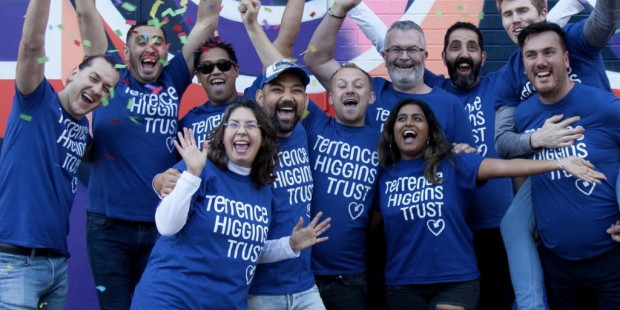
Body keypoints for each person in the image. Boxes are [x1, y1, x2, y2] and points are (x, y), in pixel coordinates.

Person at [376, 98, 604, 310]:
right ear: (392, 131)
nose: (409, 123)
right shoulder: (384, 174)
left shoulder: (455, 163)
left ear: (429, 131)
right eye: (401, 118)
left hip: (455, 280)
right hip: (402, 282)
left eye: (417, 118)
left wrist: (560, 163)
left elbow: (507, 167)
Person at [75, 0, 221, 308]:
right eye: (140, 42)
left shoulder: (173, 78)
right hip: (107, 227)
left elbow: (207, 20)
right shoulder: (109, 80)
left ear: (166, 52)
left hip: (160, 226)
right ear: (126, 54)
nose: (149, 48)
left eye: (157, 42)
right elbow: (86, 12)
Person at [130, 100, 330, 309]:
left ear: (263, 138)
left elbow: (246, 250)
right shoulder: (200, 167)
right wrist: (191, 176)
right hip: (171, 300)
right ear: (223, 135)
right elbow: (166, 226)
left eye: (251, 125)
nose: (242, 131)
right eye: (233, 124)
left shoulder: (263, 190)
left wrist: (289, 245)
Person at [491, 0, 620, 308]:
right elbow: (504, 141)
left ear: (543, 13)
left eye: (522, 10)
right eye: (507, 14)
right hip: (554, 163)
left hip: (606, 154)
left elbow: (604, 20)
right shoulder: (512, 72)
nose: (515, 19)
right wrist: (537, 139)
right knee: (512, 223)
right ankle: (531, 304)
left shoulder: (569, 39)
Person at [0, 0, 120, 308]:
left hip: (56, 266)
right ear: (71, 74)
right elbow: (30, 45)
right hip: (14, 262)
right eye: (93, 79)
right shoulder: (37, 101)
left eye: (106, 89)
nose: (98, 90)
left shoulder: (82, 130)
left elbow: (98, 53)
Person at [419, 22, 515, 310]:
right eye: (455, 47)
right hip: (451, 231)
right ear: (443, 56)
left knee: (500, 301)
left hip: (501, 227)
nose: (464, 54)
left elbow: (538, 41)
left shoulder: (499, 83)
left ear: (483, 57)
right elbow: (397, 48)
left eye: (472, 47)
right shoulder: (433, 88)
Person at [303, 0, 474, 146]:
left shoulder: (450, 104)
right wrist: (339, 8)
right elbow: (317, 60)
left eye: (412, 50)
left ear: (425, 56)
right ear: (384, 56)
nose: (404, 57)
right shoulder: (366, 92)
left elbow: (468, 164)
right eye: (396, 50)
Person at [302, 63, 381, 309]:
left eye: (358, 86)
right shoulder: (315, 123)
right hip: (302, 275)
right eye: (342, 85)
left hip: (350, 277)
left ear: (370, 97)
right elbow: (285, 83)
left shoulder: (383, 143)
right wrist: (253, 26)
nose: (349, 90)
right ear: (330, 96)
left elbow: (381, 208)